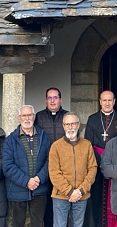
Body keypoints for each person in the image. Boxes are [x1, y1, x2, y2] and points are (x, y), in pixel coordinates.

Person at [3, 105, 51, 227]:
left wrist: (39, 178)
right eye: (24, 115)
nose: (27, 118)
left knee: (38, 223)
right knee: (17, 224)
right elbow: (8, 166)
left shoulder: (44, 137)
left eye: (29, 115)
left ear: (34, 116)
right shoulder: (10, 140)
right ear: (19, 118)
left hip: (39, 189)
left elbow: (50, 161)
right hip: (17, 190)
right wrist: (27, 181)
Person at [48, 112, 98, 227]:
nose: (70, 127)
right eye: (67, 124)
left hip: (81, 195)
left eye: (73, 123)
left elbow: (92, 168)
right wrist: (70, 192)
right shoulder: (56, 146)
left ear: (78, 124)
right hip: (60, 195)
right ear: (63, 126)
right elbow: (54, 172)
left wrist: (80, 191)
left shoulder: (87, 145)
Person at [84, 90, 117, 227]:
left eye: (109, 100)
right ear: (100, 102)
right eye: (104, 100)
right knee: (96, 198)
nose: (107, 103)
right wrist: (100, 162)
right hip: (97, 165)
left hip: (115, 165)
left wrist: (111, 163)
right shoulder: (92, 119)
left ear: (114, 101)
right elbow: (88, 144)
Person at [35, 87, 69, 226]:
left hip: (64, 166)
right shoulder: (39, 117)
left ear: (60, 100)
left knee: (63, 201)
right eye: (50, 98)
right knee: (47, 202)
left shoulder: (68, 116)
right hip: (44, 165)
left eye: (55, 98)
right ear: (46, 100)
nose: (53, 101)